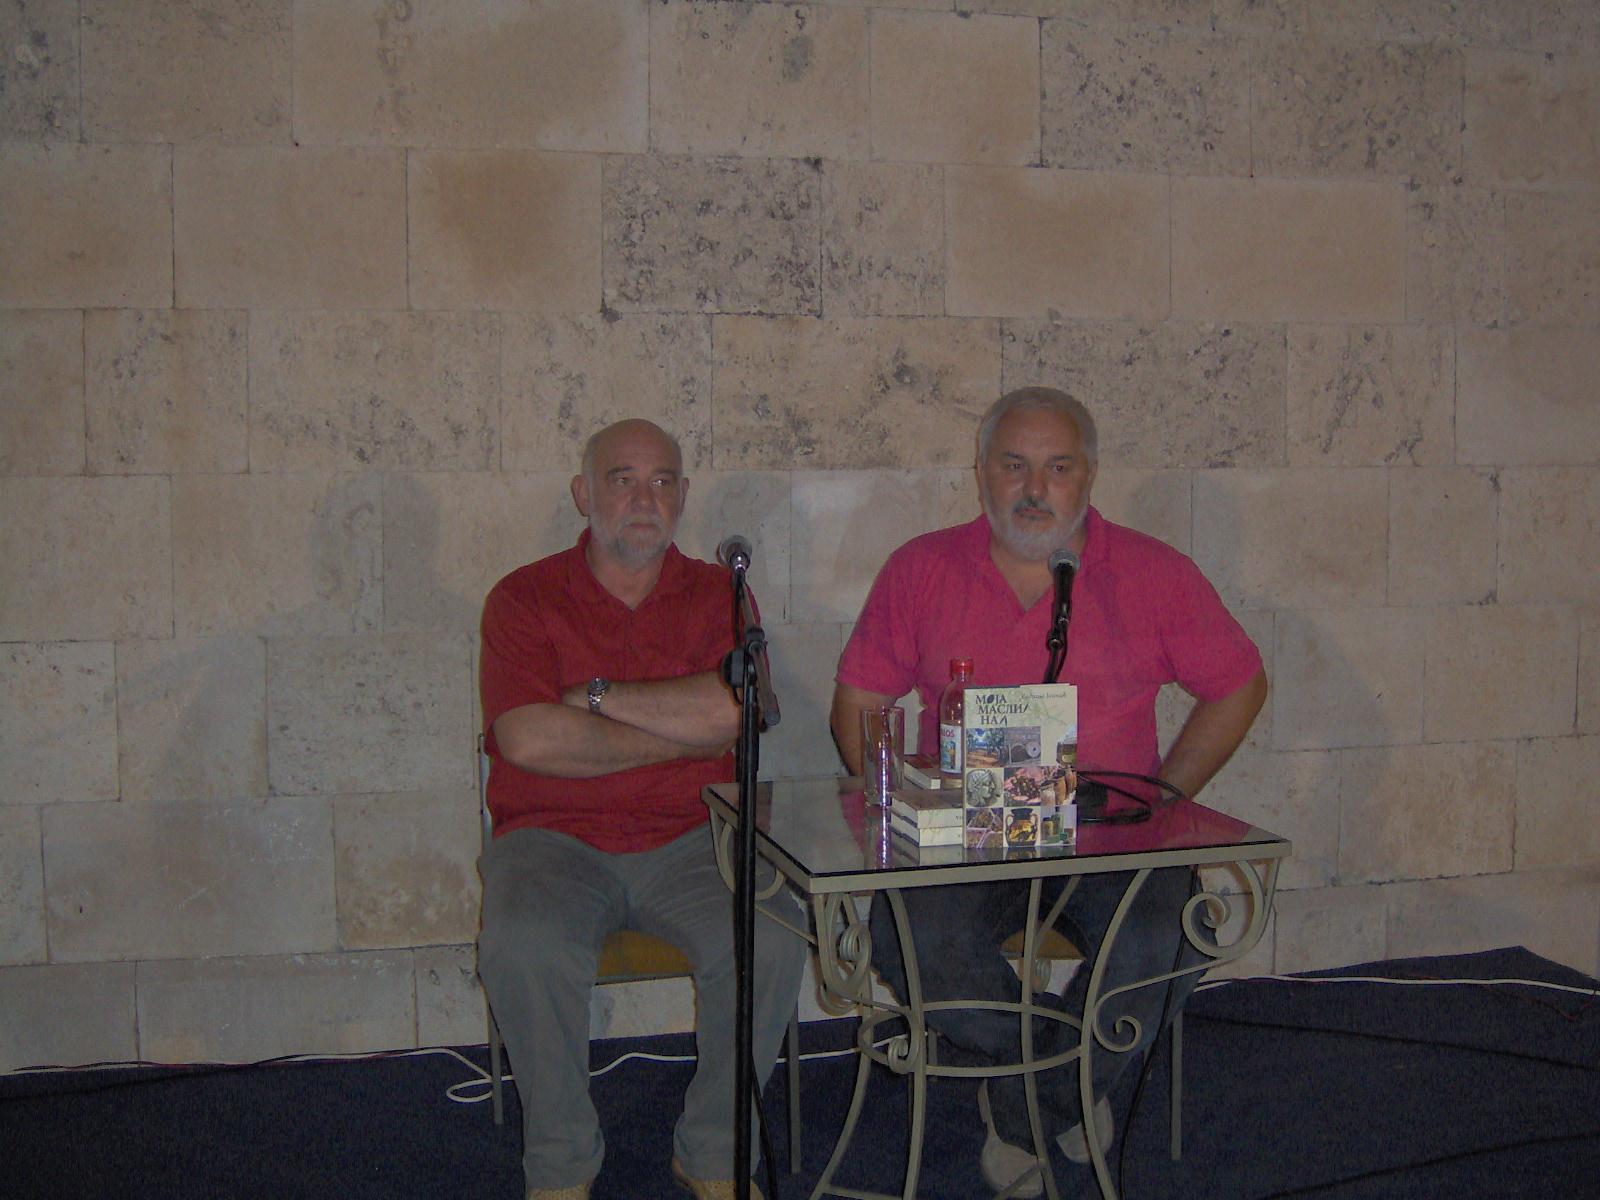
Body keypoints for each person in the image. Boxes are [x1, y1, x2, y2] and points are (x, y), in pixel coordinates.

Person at [830, 387, 1267, 1196]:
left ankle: (1026, 1106)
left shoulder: (1155, 572)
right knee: (908, 942)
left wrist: (1165, 797)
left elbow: (1239, 685)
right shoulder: (921, 568)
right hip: (965, 840)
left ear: (1089, 476)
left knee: (1175, 935)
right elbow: (857, 707)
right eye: (1014, 465)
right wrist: (903, 811)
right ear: (982, 472)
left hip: (1111, 841)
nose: (1035, 489)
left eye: (1058, 468)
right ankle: (1064, 1085)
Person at [478, 419, 806, 1200]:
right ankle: (561, 1165)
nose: (643, 498)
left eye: (662, 481)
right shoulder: (523, 597)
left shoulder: (721, 594)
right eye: (621, 479)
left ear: (683, 496)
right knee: (523, 945)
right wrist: (681, 732)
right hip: (551, 841)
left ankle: (715, 1154)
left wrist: (593, 699)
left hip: (697, 837)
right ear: (582, 493)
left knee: (772, 936)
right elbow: (527, 738)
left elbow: (736, 715)